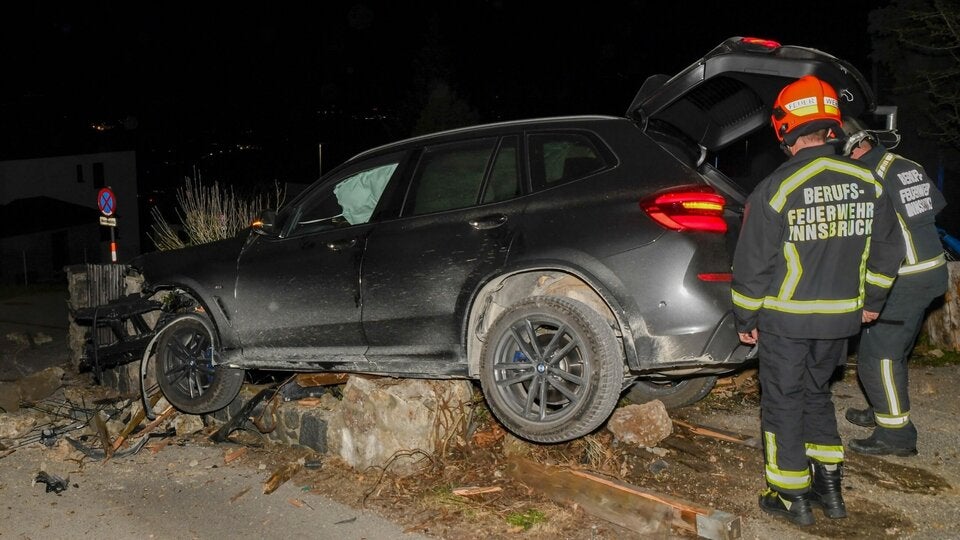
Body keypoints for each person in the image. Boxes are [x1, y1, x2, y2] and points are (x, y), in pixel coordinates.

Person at [731, 75, 904, 526]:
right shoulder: (867, 181)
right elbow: (889, 249)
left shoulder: (776, 187)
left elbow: (753, 264)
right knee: (817, 395)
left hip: (786, 321)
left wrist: (746, 316)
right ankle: (830, 488)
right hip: (840, 320)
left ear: (784, 127)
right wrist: (873, 300)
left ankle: (790, 495)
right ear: (831, 125)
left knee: (783, 401)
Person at [841, 117, 949, 456]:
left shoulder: (866, 177)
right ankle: (883, 406)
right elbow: (934, 207)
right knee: (891, 347)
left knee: (879, 357)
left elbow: (873, 240)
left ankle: (896, 434)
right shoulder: (904, 164)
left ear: (850, 148)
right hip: (931, 270)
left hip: (905, 277)